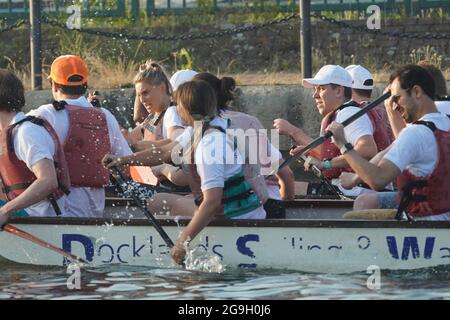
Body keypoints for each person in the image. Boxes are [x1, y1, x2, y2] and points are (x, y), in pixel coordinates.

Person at [327, 65, 450, 221]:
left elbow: (378, 180)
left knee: (351, 219)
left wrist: (343, 145)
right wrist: (355, 179)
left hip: (423, 229)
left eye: (397, 97)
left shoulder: (415, 133)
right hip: (443, 224)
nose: (394, 105)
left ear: (417, 92)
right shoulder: (443, 123)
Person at [28, 55, 132, 218]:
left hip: (55, 215)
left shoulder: (44, 115)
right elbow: (126, 165)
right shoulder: (105, 115)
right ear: (85, 85)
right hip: (95, 213)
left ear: (54, 85)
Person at [274, 65, 389, 197]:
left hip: (355, 191)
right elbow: (346, 153)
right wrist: (316, 156)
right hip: (350, 190)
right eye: (315, 89)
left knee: (279, 187)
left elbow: (367, 149)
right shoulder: (347, 113)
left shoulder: (347, 113)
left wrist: (325, 164)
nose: (314, 95)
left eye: (321, 89)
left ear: (339, 91)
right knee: (285, 186)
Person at [0, 69, 71, 226]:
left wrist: (5, 211)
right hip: (24, 213)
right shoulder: (9, 132)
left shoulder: (27, 133)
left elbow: (48, 180)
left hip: (38, 217)